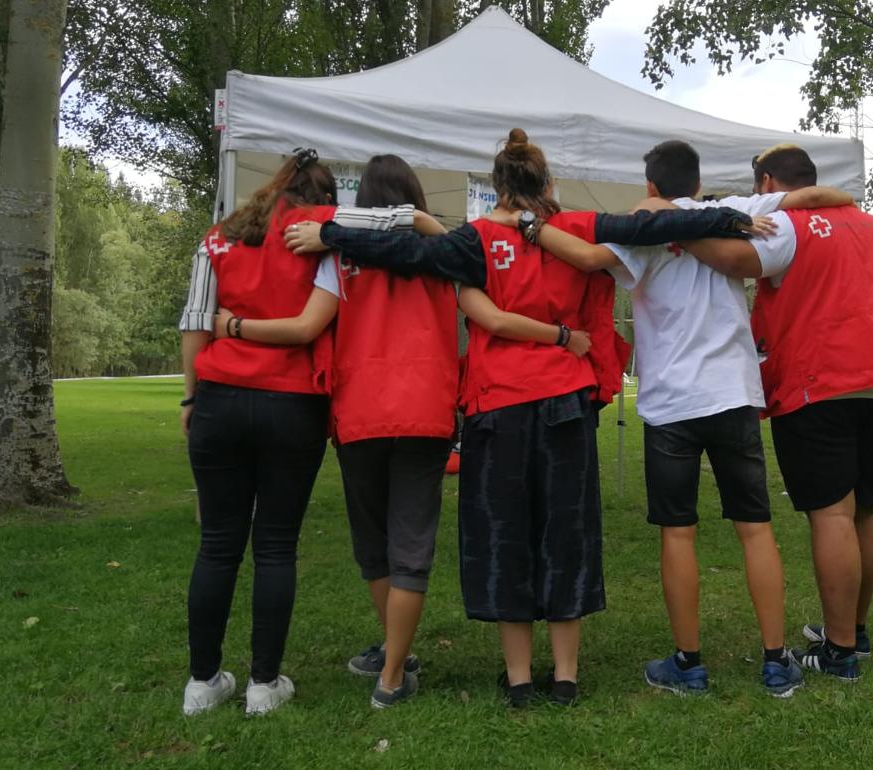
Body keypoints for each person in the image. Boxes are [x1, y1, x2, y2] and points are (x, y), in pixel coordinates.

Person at [283, 128, 759, 707]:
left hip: (498, 406)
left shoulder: (475, 239)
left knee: (506, 536)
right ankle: (565, 676)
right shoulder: (577, 228)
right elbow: (648, 227)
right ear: (549, 183)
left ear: (496, 186)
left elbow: (408, 250)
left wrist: (330, 233)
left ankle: (517, 680)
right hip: (565, 404)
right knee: (566, 536)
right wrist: (727, 219)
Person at [210, 154, 592, 709]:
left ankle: (396, 654)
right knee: (411, 547)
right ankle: (391, 675)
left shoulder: (340, 256)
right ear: (414, 197)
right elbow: (473, 293)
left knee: (375, 548)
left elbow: (310, 325)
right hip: (428, 411)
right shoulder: (445, 257)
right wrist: (417, 220)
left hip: (359, 411)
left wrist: (234, 326)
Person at [484, 139, 854, 699]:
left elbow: (586, 260)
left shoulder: (643, 226)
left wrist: (530, 229)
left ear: (652, 185)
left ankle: (689, 663)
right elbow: (820, 195)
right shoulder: (738, 212)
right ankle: (776, 661)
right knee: (755, 529)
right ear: (699, 183)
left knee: (678, 533)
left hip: (670, 403)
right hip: (732, 392)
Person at [679, 144, 873, 682]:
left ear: (766, 183)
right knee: (863, 512)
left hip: (815, 383)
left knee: (831, 513)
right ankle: (854, 630)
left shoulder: (787, 224)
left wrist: (678, 232)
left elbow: (737, 260)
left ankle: (841, 652)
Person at [176, 148, 340, 716]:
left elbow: (196, 323)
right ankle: (263, 685)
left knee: (217, 545)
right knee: (276, 547)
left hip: (219, 400)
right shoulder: (326, 235)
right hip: (293, 406)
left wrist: (191, 396)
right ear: (321, 198)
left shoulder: (218, 238)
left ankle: (202, 683)